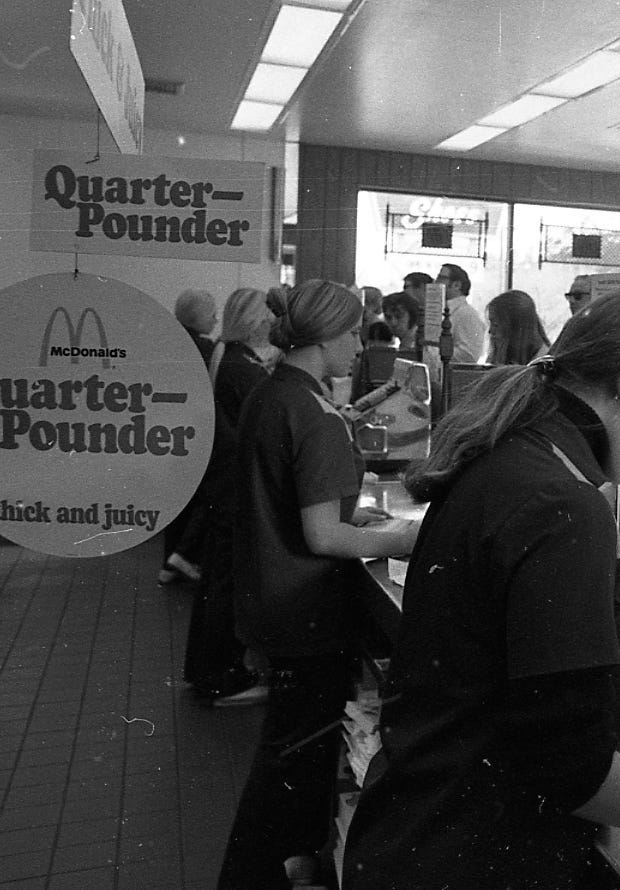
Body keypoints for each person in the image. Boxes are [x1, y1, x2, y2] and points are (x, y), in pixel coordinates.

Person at [343, 288, 620, 890]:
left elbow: (513, 709)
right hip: (474, 856)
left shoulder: (511, 459)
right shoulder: (562, 507)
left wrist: (618, 752)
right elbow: (573, 774)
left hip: (418, 833)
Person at [218, 279, 419, 890]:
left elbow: (290, 497)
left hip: (266, 596)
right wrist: (400, 539)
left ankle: (293, 863)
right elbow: (325, 538)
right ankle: (255, 873)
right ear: (327, 336)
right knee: (294, 750)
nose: (360, 345)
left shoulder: (272, 391)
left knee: (292, 746)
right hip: (304, 609)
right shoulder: (314, 413)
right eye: (354, 333)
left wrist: (348, 512)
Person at [184, 287, 274, 706]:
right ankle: (222, 674)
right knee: (225, 585)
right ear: (256, 322)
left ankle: (206, 669)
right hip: (237, 489)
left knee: (214, 581)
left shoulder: (226, 357)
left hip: (221, 485)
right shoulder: (245, 370)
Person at [159, 287, 221, 583]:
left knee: (178, 503)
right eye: (212, 313)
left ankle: (171, 562)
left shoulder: (168, 342)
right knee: (203, 498)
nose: (217, 318)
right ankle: (183, 559)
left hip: (169, 433)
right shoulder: (207, 350)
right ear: (199, 317)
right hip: (197, 433)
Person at [435, 263, 486, 362]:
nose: (436, 282)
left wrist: (434, 352)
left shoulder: (467, 314)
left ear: (456, 285)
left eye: (441, 278)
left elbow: (469, 355)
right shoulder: (442, 310)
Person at [486, 289, 550, 365]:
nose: (490, 331)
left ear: (516, 329)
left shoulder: (544, 367)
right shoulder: (497, 357)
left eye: (496, 325)